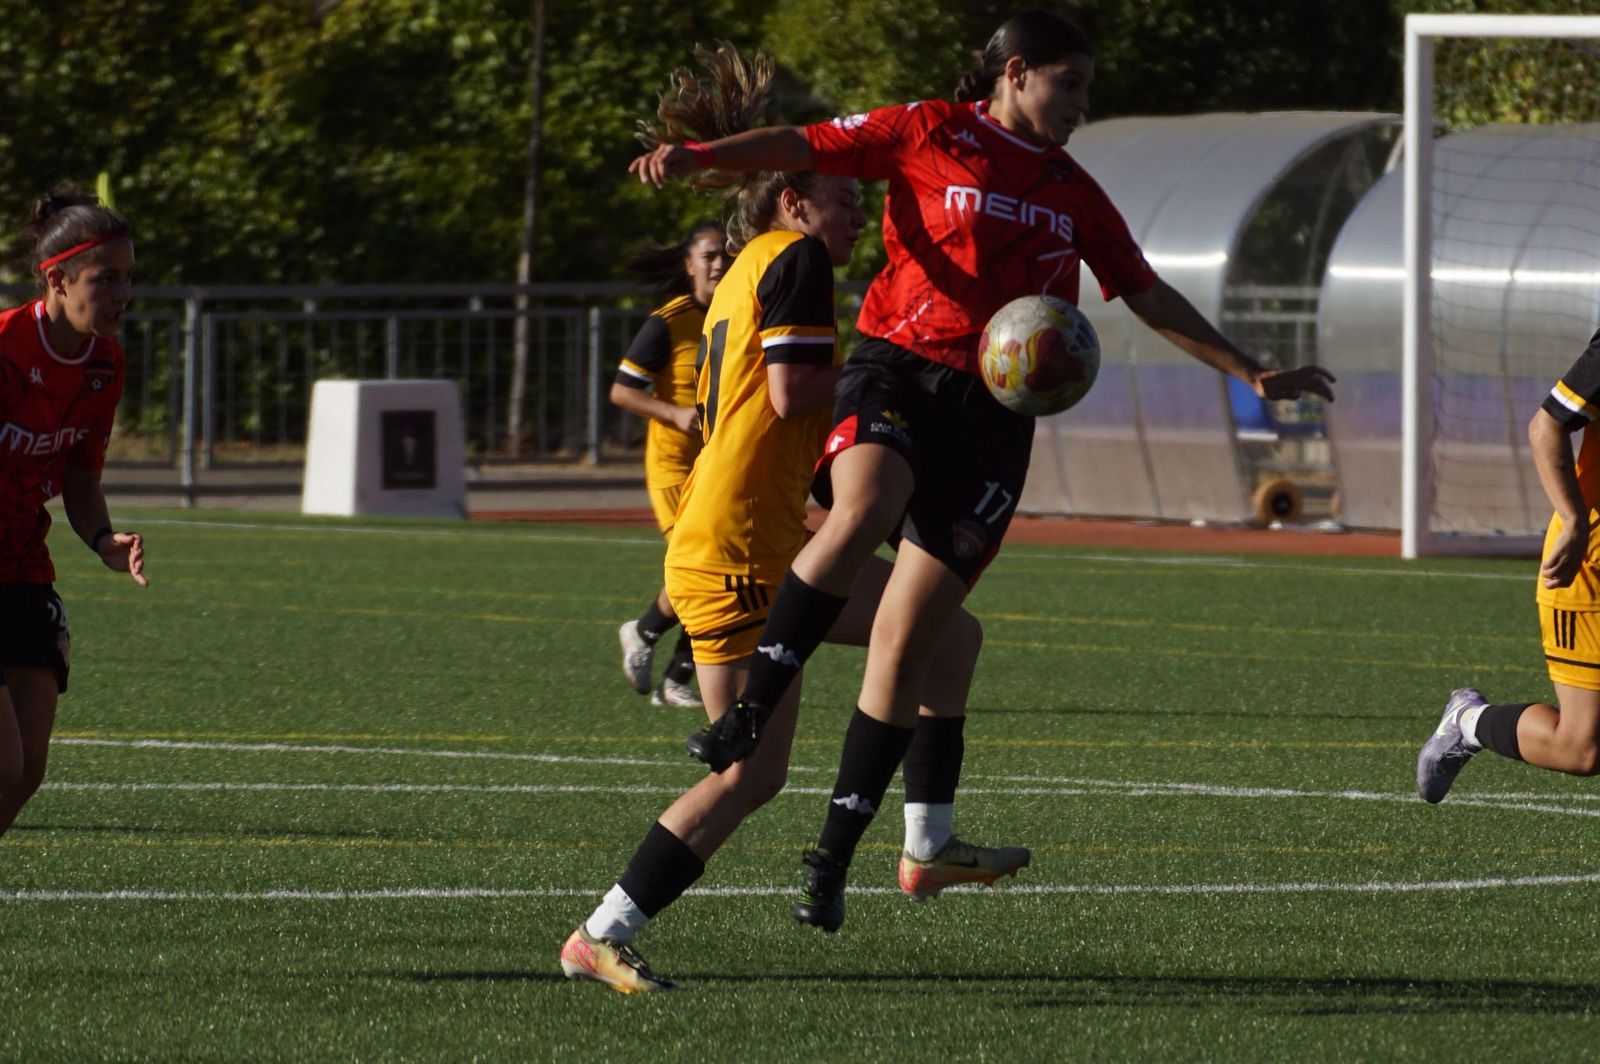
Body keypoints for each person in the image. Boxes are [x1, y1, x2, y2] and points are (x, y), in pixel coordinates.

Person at [630, 11, 1337, 926]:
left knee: (918, 633)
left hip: (994, 419)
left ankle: (835, 859)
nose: (1080, 103)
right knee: (866, 503)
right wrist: (706, 157)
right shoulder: (929, 130)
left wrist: (1252, 370)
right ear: (1012, 74)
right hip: (897, 370)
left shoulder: (1073, 190)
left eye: (1086, 86)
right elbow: (806, 143)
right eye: (1067, 83)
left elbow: (1145, 288)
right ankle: (745, 713)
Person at [560, 45, 1023, 994]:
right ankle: (600, 932)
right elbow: (790, 390)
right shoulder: (802, 260)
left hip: (765, 538)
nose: (860, 207)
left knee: (947, 633)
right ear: (791, 201)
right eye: (844, 193)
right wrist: (882, 388)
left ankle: (926, 845)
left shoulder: (756, 262)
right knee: (752, 775)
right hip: (733, 552)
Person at [1, 184, 147, 838]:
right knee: (2, 764)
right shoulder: (4, 349)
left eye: (129, 280)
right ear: (56, 280)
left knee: (27, 771)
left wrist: (104, 538)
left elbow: (82, 480)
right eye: (105, 279)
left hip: (24, 567)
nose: (121, 296)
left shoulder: (104, 367)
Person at [1417, 327, 1600, 801]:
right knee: (1581, 749)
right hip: (1590, 570)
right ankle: (1469, 722)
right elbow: (1547, 426)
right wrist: (1573, 517)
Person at [611, 220, 731, 708]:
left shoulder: (738, 312)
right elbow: (622, 391)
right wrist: (675, 413)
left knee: (723, 570)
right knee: (704, 569)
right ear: (689, 265)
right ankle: (654, 646)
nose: (720, 263)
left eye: (727, 254)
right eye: (710, 255)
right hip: (675, 470)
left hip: (720, 467)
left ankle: (670, 669)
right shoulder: (669, 320)